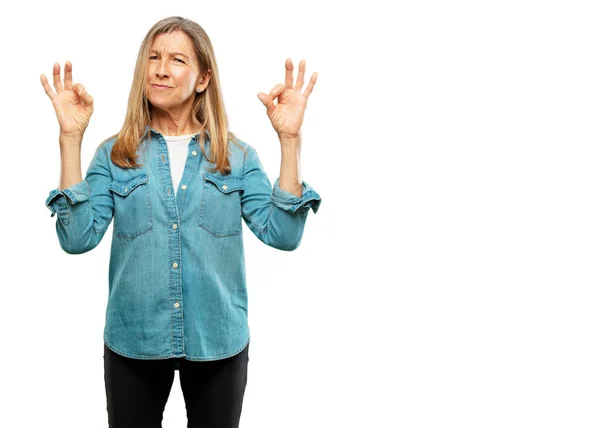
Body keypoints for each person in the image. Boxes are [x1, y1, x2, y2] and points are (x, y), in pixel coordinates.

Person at [40, 16, 321, 428]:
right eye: (153, 57)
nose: (160, 68)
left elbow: (284, 234)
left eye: (176, 59)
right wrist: (70, 139)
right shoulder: (114, 155)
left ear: (203, 78)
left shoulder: (237, 157)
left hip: (218, 341)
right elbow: (77, 239)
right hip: (133, 340)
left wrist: (290, 141)